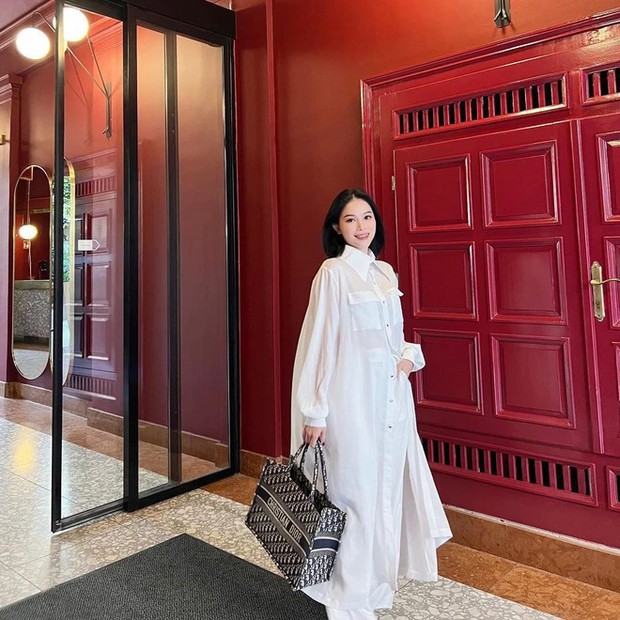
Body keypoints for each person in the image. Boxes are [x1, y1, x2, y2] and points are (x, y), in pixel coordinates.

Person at [290, 188, 452, 620]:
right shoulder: (333, 273)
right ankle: (347, 601)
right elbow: (321, 343)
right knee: (353, 497)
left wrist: (407, 358)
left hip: (392, 404)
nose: (361, 227)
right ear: (336, 227)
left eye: (367, 217)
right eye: (350, 219)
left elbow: (393, 336)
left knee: (384, 494)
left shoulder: (384, 272)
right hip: (350, 403)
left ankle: (373, 590)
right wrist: (315, 410)